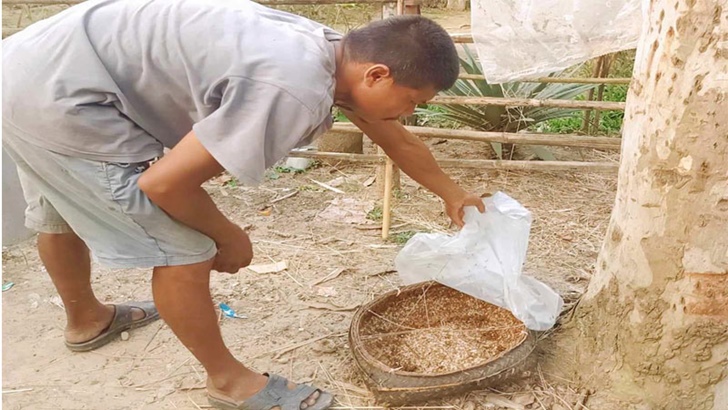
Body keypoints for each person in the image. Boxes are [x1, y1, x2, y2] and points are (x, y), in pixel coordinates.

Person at [2, 0, 485, 408]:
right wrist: (228, 235)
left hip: (32, 68)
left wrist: (453, 194)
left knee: (59, 205)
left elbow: (395, 138)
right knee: (186, 248)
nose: (410, 112)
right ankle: (230, 384)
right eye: (413, 101)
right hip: (63, 102)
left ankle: (88, 320)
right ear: (378, 75)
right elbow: (164, 185)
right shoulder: (292, 87)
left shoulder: (338, 52)